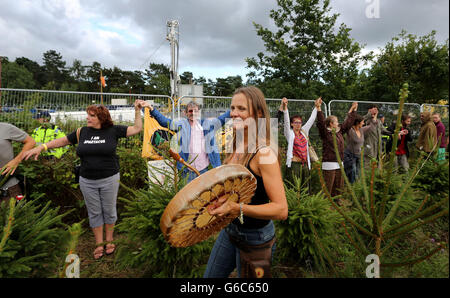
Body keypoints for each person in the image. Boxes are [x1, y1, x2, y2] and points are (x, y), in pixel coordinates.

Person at [23, 100, 147, 260]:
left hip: (109, 178)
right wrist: (42, 147)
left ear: (101, 118)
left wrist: (137, 110)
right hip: (87, 180)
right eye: (88, 115)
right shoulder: (82, 132)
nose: (87, 118)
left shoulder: (113, 130)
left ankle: (109, 240)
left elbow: (137, 128)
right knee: (94, 212)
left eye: (92, 116)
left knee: (109, 211)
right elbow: (63, 141)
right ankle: (98, 244)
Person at [203, 86, 288, 278]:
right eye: (233, 108)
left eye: (242, 109)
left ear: (258, 113)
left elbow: (281, 210)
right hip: (230, 231)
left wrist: (237, 208)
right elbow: (237, 190)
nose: (234, 113)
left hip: (256, 237)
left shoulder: (264, 153)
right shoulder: (235, 143)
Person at [148, 101, 230, 182]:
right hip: (187, 171)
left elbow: (222, 119)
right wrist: (152, 109)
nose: (193, 113)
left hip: (204, 169)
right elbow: (165, 122)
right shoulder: (181, 125)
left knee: (204, 194)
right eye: (190, 111)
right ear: (185, 113)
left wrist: (236, 108)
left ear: (199, 112)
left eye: (195, 111)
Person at [317, 102, 358, 198]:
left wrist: (353, 110)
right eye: (336, 121)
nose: (338, 123)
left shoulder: (339, 132)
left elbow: (347, 123)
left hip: (340, 163)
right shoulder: (326, 133)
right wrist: (319, 108)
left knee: (339, 186)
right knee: (328, 186)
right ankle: (325, 205)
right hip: (329, 164)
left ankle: (337, 202)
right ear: (331, 124)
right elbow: (321, 123)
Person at [281, 96, 320, 189]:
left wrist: (316, 107)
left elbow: (311, 120)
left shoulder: (304, 132)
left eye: (299, 122)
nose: (298, 124)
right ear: (292, 124)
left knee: (305, 187)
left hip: (305, 164)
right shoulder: (289, 134)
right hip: (295, 165)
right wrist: (285, 108)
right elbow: (286, 122)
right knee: (294, 186)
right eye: (295, 122)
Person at [0, 123, 36, 204]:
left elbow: (31, 142)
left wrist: (16, 160)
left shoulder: (6, 128)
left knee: (12, 215)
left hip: (8, 186)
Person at [343, 113, 377, 183]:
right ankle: (350, 188)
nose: (363, 123)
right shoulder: (350, 130)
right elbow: (346, 123)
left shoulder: (361, 130)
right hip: (350, 156)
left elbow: (372, 126)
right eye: (362, 122)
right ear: (358, 123)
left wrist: (373, 117)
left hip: (359, 156)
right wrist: (352, 109)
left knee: (357, 174)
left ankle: (356, 188)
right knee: (352, 173)